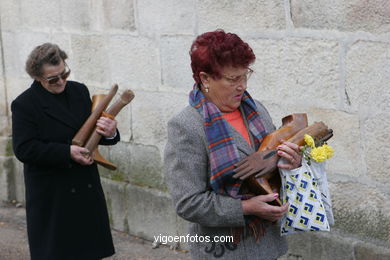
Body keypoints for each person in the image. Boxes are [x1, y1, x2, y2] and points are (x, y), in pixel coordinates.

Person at [164, 30, 302, 259]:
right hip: (225, 250)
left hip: (268, 244)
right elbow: (187, 203)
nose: (242, 86)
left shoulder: (256, 110)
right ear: (205, 78)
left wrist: (292, 162)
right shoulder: (186, 126)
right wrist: (246, 208)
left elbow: (272, 170)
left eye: (245, 75)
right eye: (232, 79)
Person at [11, 43, 119, 260]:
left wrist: (110, 131)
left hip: (85, 189)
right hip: (52, 195)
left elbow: (94, 135)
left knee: (91, 253)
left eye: (64, 73)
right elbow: (24, 149)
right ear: (38, 78)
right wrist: (66, 152)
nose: (61, 81)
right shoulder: (24, 104)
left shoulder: (79, 90)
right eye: (52, 79)